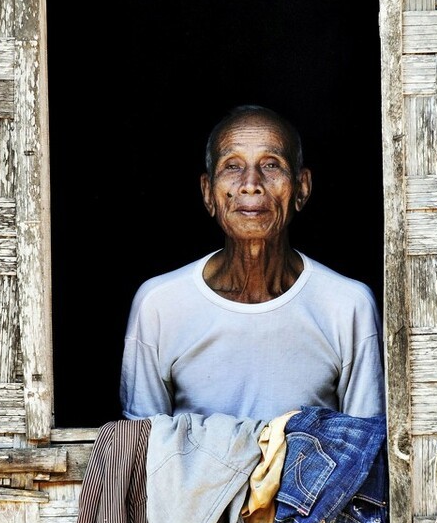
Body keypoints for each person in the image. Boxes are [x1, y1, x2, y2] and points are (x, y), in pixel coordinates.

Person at [119, 105, 385, 422]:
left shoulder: (347, 306)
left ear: (302, 188)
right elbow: (143, 445)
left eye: (271, 165)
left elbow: (364, 449)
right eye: (233, 167)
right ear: (207, 193)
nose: (250, 183)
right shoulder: (160, 304)